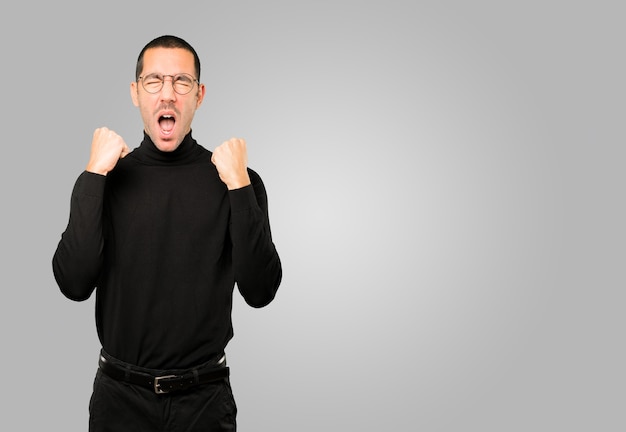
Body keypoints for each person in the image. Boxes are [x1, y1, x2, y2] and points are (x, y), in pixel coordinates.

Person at [52, 34, 282, 431]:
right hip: (119, 400)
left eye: (182, 82)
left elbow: (260, 291)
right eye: (154, 81)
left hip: (205, 402)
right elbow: (74, 282)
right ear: (136, 92)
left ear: (199, 94)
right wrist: (92, 175)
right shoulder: (103, 179)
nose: (168, 94)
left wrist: (240, 188)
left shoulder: (236, 180)